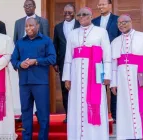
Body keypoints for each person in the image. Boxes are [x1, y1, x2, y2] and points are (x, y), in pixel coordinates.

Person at [62, 7, 111, 140]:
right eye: (80, 15)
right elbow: (68, 58)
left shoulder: (101, 32)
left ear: (91, 16)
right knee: (77, 105)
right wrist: (67, 78)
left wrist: (106, 75)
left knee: (95, 103)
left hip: (95, 75)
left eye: (85, 14)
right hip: (76, 76)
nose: (82, 17)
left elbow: (107, 56)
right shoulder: (73, 33)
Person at [11, 17, 56, 140]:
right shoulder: (20, 42)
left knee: (43, 114)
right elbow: (13, 60)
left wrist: (35, 61)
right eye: (26, 26)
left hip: (40, 83)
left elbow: (52, 58)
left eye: (31, 26)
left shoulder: (46, 41)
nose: (28, 28)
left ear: (38, 26)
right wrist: (20, 64)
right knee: (25, 113)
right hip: (24, 83)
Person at [110, 14, 143, 140]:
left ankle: (141, 134)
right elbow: (113, 65)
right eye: (119, 23)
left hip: (139, 77)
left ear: (131, 22)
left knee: (141, 106)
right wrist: (113, 83)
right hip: (122, 79)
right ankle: (128, 135)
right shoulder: (115, 42)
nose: (121, 25)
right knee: (124, 107)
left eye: (124, 22)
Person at [92, 0, 121, 123]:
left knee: (114, 87)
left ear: (110, 5)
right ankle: (101, 114)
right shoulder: (94, 21)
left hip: (113, 59)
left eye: (103, 4)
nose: (101, 6)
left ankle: (115, 116)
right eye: (99, 4)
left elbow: (120, 38)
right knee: (99, 87)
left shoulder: (117, 20)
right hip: (99, 60)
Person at [53, 4, 80, 123]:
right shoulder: (58, 27)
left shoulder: (80, 25)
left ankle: (79, 114)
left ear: (74, 12)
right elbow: (55, 45)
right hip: (63, 63)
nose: (67, 14)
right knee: (65, 89)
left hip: (79, 62)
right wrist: (55, 62)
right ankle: (68, 115)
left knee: (79, 87)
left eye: (70, 12)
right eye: (65, 12)